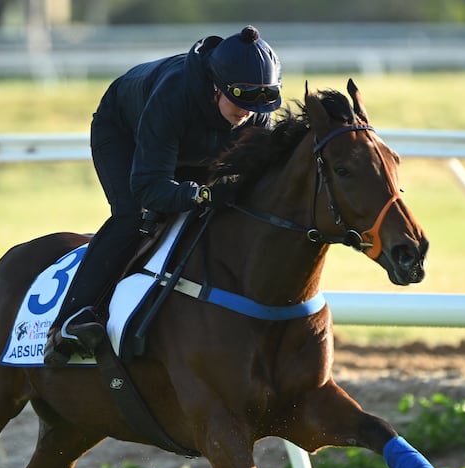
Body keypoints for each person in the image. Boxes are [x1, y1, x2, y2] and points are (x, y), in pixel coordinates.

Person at [42, 24, 284, 367]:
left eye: (260, 100)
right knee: (135, 216)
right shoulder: (174, 95)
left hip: (192, 143)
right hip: (124, 130)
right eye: (240, 98)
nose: (248, 111)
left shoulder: (257, 110)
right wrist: (199, 194)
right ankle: (70, 320)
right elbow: (149, 188)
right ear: (216, 85)